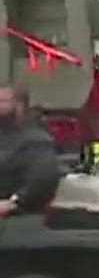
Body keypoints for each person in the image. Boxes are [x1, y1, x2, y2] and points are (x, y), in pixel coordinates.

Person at [0, 83, 63, 218]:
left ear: (19, 105)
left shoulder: (36, 140)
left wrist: (14, 202)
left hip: (18, 218)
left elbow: (43, 178)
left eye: (2, 101)